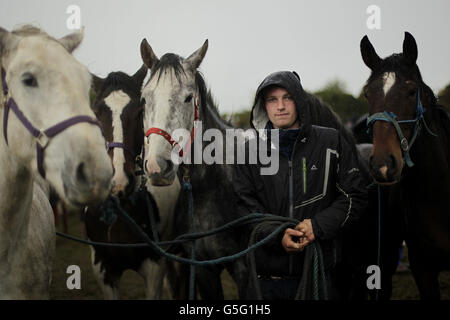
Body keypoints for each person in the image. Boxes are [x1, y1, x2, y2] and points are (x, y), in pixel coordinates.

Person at [233, 71, 367, 300]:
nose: (281, 106)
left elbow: (354, 195)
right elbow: (242, 207)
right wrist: (278, 235)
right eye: (272, 100)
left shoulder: (331, 142)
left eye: (288, 97)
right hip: (264, 281)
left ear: (300, 102)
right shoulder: (247, 152)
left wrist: (318, 225)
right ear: (264, 106)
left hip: (320, 277)